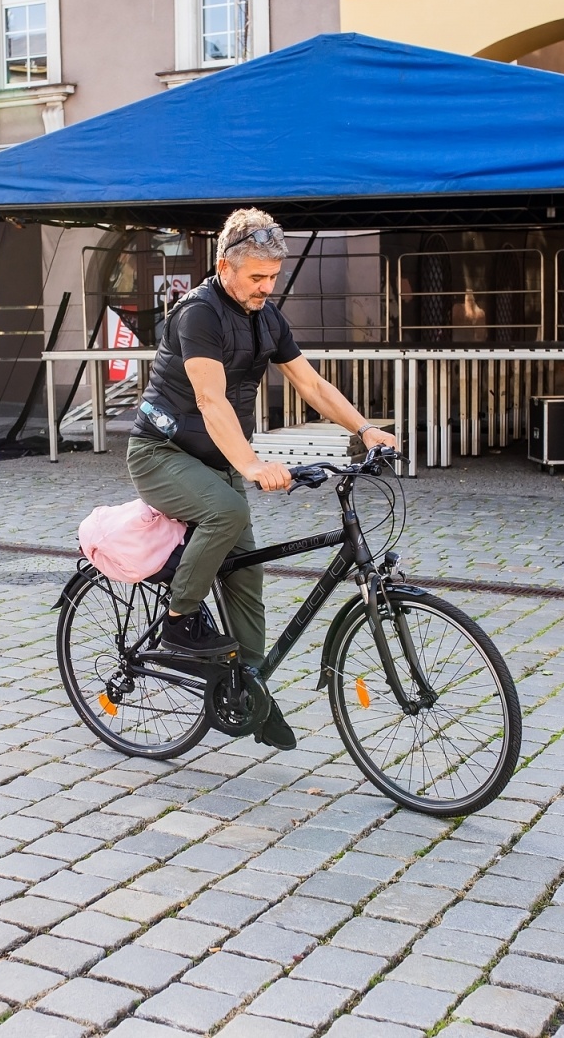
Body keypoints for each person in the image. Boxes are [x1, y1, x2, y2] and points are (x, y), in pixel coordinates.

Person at [127, 208, 400, 751]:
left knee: (245, 577)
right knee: (227, 513)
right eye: (256, 277)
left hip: (215, 459)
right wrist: (251, 465)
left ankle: (247, 689)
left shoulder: (267, 319)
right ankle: (180, 621)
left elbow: (312, 385)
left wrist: (365, 429)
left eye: (272, 277)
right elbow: (209, 398)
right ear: (224, 266)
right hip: (161, 452)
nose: (266, 287)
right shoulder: (198, 315)